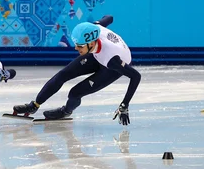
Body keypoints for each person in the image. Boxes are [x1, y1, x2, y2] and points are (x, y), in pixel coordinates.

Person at [12, 16, 141, 125]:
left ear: (90, 43)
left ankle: (66, 111)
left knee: (74, 93)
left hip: (111, 68)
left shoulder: (112, 59)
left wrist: (124, 105)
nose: (75, 48)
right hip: (97, 53)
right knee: (62, 75)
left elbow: (136, 76)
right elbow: (108, 18)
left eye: (79, 46)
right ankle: (34, 105)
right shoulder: (94, 28)